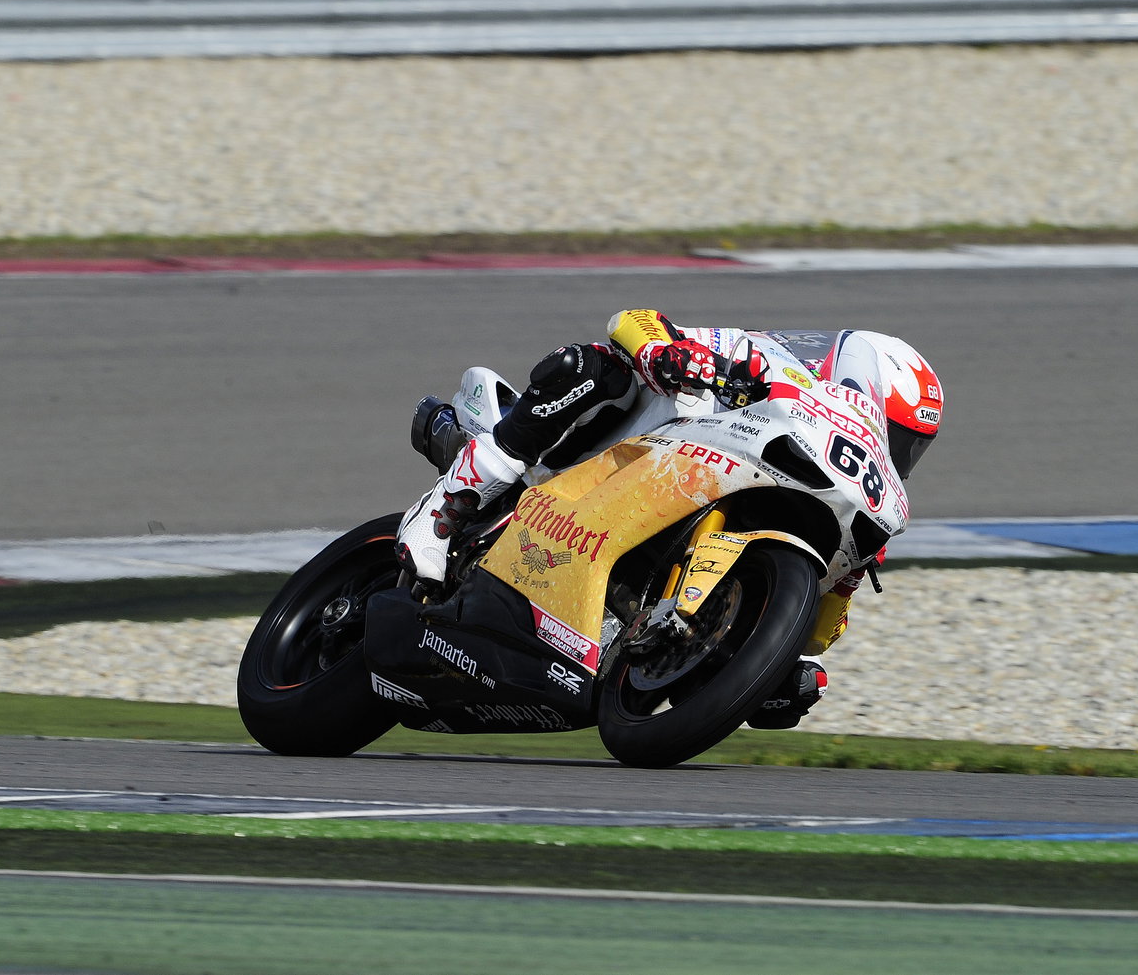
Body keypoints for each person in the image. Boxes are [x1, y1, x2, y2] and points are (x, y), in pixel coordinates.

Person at [396, 309, 944, 729]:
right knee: (590, 366)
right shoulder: (768, 358)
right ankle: (450, 503)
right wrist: (664, 353)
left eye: (910, 448)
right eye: (898, 435)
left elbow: (820, 634)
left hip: (666, 528)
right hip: (593, 461)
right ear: (858, 384)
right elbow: (632, 320)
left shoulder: (853, 506)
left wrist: (774, 667)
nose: (896, 453)